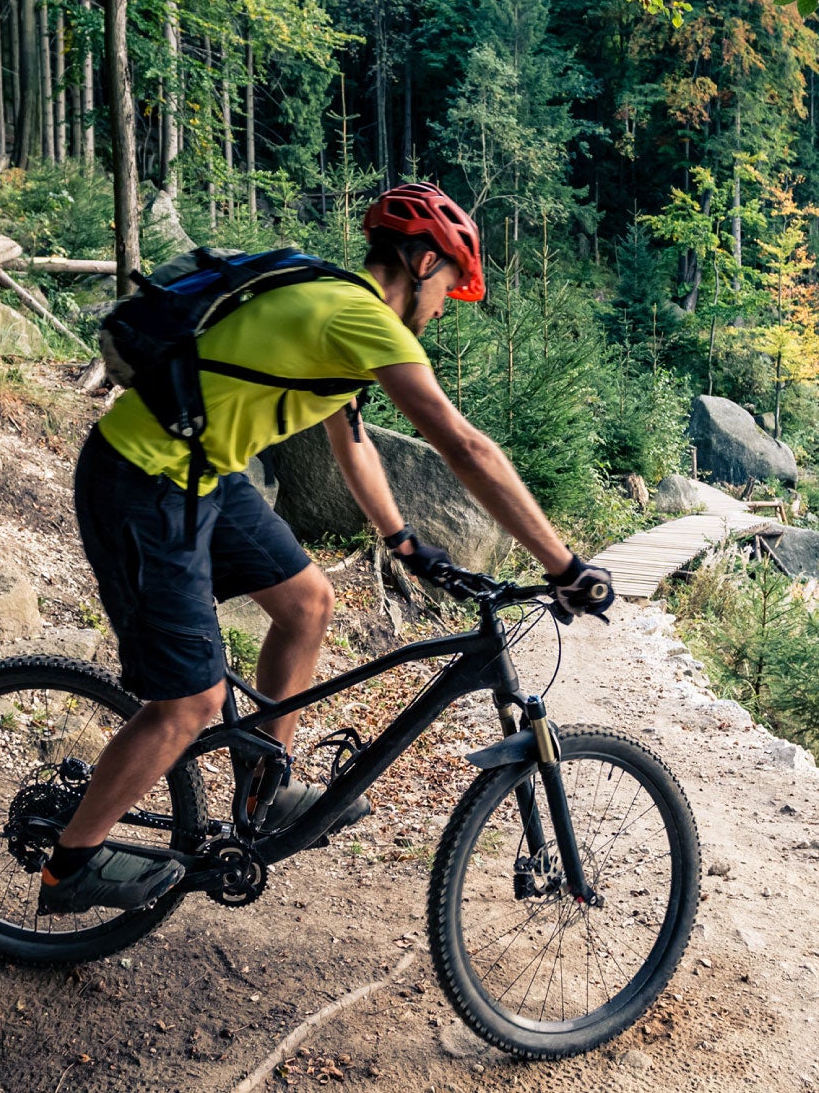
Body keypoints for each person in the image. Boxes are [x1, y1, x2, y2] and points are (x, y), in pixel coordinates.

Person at [43, 182, 615, 914]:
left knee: (308, 602)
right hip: (143, 479)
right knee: (190, 699)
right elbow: (464, 445)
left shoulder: (339, 307)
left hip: (202, 473)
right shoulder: (358, 315)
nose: (445, 306)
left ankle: (262, 789)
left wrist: (402, 541)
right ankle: (73, 862)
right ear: (418, 260)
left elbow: (352, 440)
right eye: (448, 285)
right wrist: (564, 566)